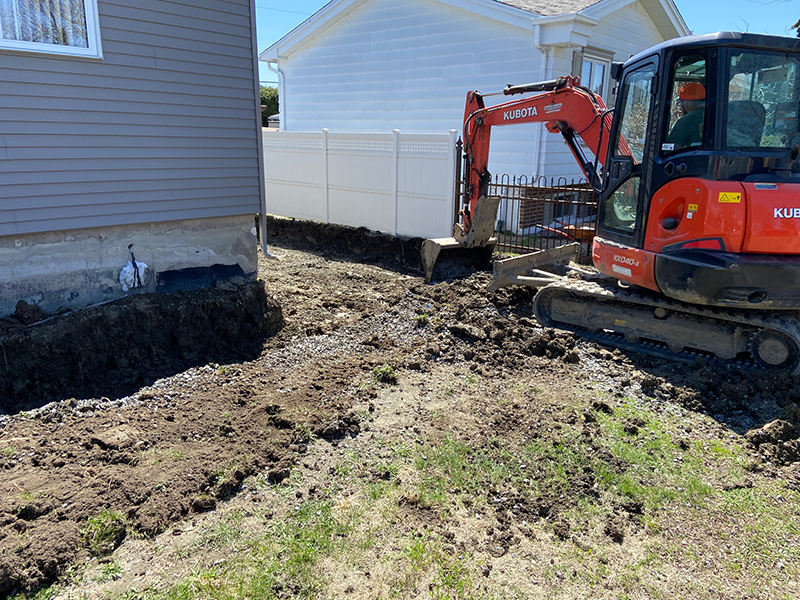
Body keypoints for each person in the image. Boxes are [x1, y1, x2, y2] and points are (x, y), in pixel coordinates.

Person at [667, 82, 705, 149]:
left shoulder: (685, 122)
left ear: (687, 102)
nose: (681, 105)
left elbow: (671, 148)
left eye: (681, 102)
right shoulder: (717, 117)